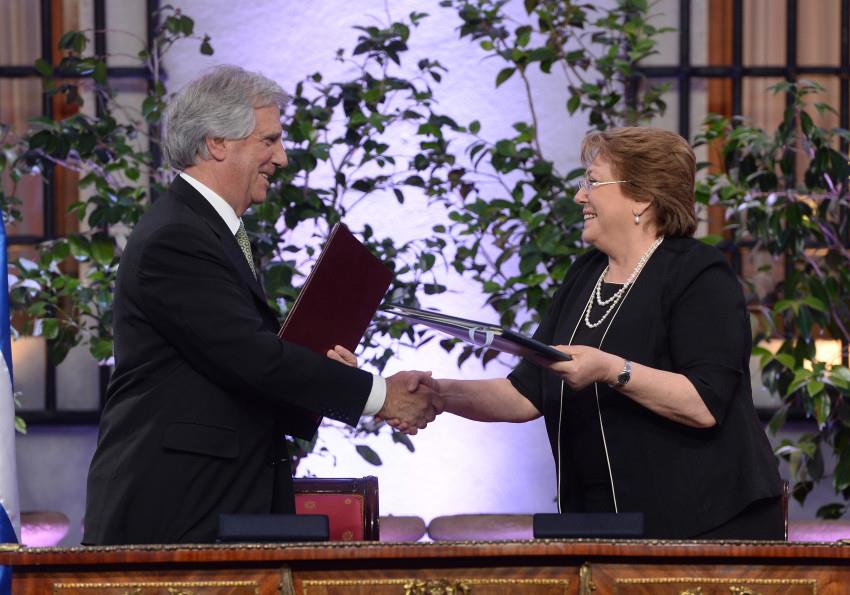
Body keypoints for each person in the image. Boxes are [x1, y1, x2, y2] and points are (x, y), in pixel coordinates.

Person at [83, 65, 441, 545]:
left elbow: (237, 375)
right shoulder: (177, 238)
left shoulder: (207, 230)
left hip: (221, 507)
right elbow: (253, 359)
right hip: (178, 514)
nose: (283, 158)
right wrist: (380, 396)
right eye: (268, 141)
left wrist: (318, 373)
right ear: (217, 143)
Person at [396, 127, 784, 539]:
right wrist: (439, 394)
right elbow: (526, 393)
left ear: (643, 197)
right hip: (600, 523)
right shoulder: (586, 273)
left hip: (705, 526)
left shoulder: (697, 272)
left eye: (594, 183)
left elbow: (704, 403)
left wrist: (609, 368)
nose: (580, 196)